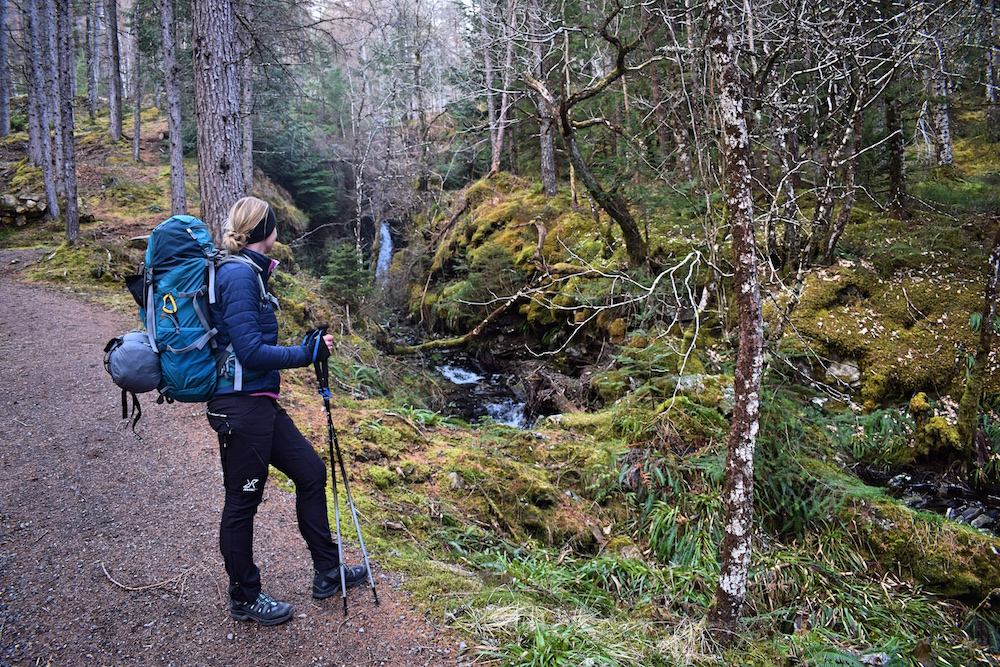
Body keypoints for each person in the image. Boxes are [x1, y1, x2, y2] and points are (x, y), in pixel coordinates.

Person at [205, 196, 367, 626]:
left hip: (259, 404)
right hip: (240, 409)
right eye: (275, 225)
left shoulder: (251, 273)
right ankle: (244, 596)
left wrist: (304, 350)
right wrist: (305, 352)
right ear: (265, 232)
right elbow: (250, 351)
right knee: (243, 502)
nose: (279, 231)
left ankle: (328, 573)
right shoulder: (238, 276)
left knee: (311, 472)